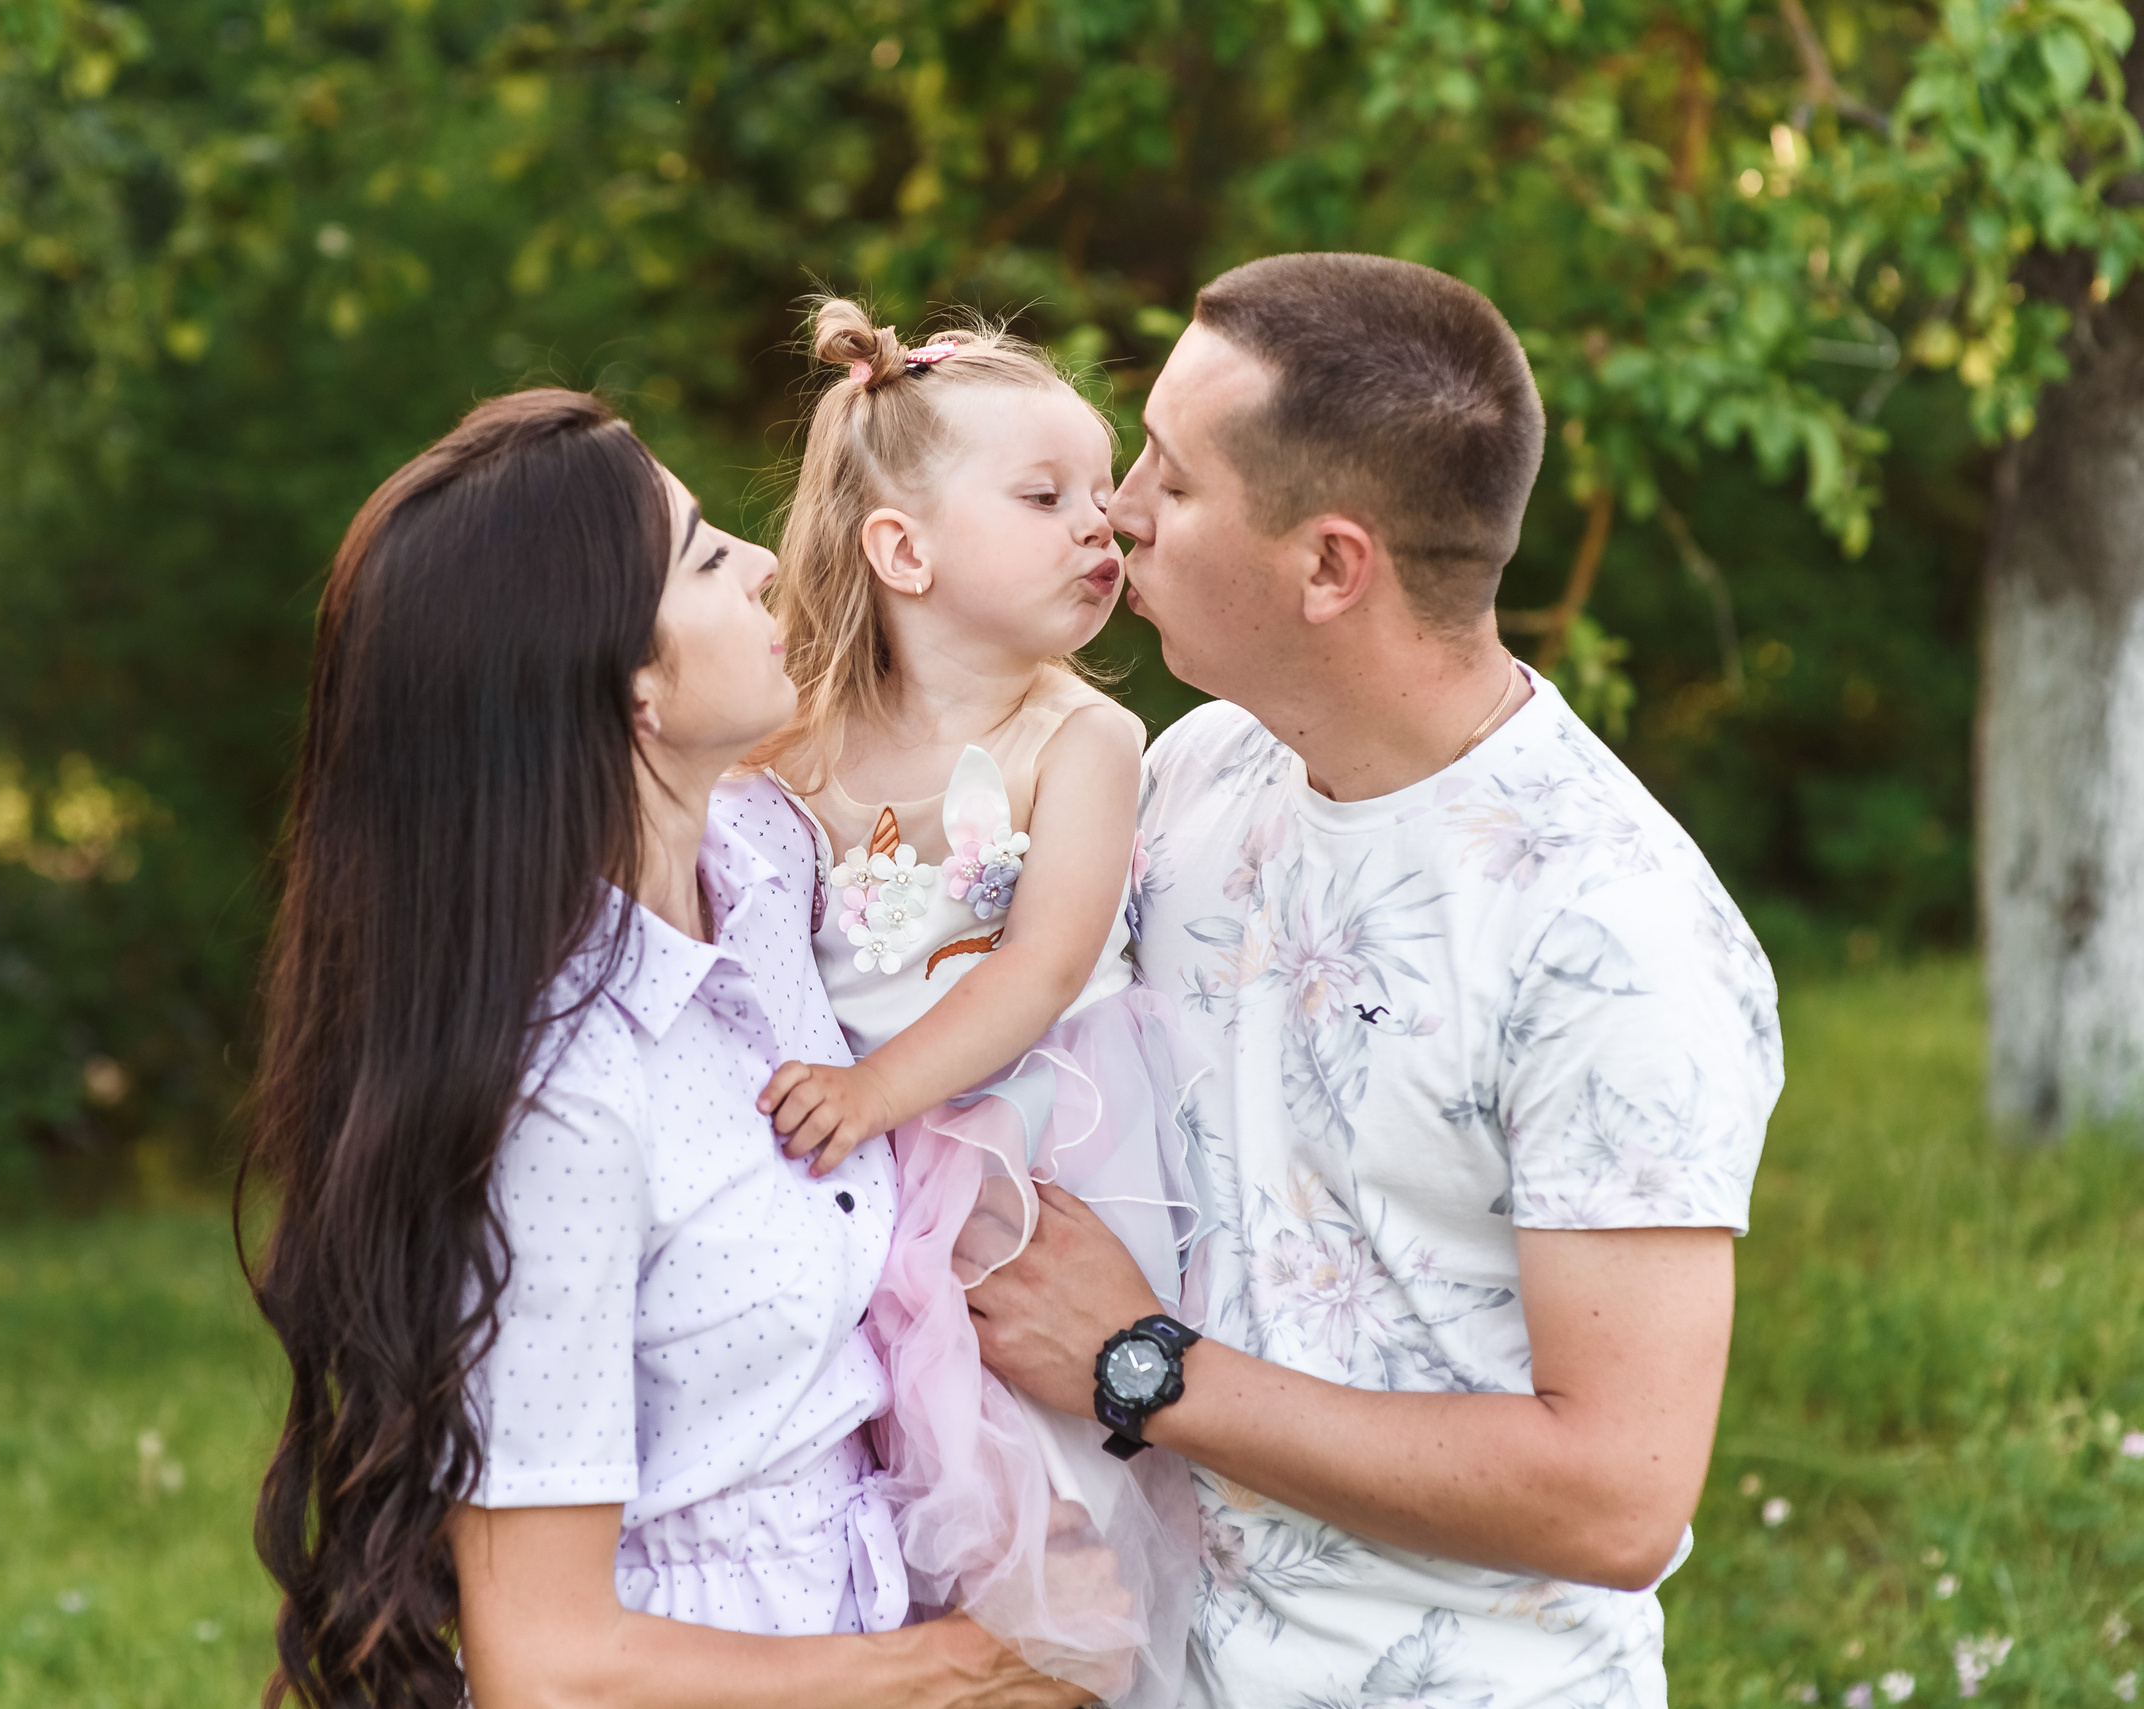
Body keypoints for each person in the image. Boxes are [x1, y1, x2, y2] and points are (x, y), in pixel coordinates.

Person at [967, 254, 1784, 1707]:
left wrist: (1139, 1364)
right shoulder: (1199, 772)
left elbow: (1619, 1493)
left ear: (1331, 566)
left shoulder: (1614, 938)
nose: (1118, 509)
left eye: (1173, 475)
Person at [236, 389, 1087, 1709]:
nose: (762, 565)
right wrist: (952, 1671)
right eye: (703, 553)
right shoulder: (562, 1103)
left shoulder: (762, 862)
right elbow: (551, 1667)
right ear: (629, 686)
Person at [748, 301, 1206, 1709]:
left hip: (1034, 1153)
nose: (1104, 525)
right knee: (887, 1471)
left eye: (1104, 489)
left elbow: (1044, 963)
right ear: (904, 550)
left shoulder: (1081, 735)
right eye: (1047, 495)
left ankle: (1062, 1662)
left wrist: (882, 1095)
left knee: (1042, 1480)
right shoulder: (791, 744)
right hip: (857, 1166)